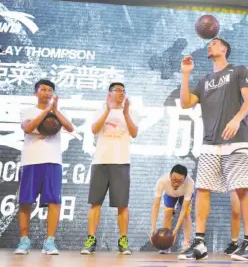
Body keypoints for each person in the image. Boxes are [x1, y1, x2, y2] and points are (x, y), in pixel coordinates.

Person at [178, 38, 248, 261]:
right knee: (202, 189)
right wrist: (185, 74)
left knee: (242, 189)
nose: (209, 46)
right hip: (210, 142)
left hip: (237, 139)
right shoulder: (204, 80)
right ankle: (200, 244)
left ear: (224, 49)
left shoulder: (238, 70)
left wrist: (237, 120)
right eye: (208, 44)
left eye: (214, 43)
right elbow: (185, 103)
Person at [14, 79, 74, 255]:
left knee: (54, 201)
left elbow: (70, 128)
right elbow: (28, 128)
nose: (47, 93)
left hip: (53, 161)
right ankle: (24, 241)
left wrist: (54, 111)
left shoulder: (58, 113)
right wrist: (46, 111)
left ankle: (50, 242)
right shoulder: (28, 111)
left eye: (50, 90)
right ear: (36, 92)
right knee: (26, 201)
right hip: (31, 160)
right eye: (43, 89)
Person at [80, 82, 140, 255]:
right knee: (95, 203)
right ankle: (91, 239)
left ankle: (123, 241)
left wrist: (126, 113)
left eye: (123, 90)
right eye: (117, 90)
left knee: (122, 204)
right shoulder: (100, 110)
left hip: (121, 162)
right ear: (110, 93)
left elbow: (134, 133)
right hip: (100, 162)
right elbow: (94, 129)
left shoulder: (131, 112)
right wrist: (108, 110)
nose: (121, 93)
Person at [224, 115, 248, 255]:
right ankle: (234, 242)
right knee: (236, 210)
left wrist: (245, 132)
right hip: (235, 175)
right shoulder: (232, 136)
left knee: (246, 210)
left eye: (244, 119)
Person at [150, 164, 194, 254]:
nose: (176, 183)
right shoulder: (162, 181)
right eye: (174, 180)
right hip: (170, 194)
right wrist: (153, 230)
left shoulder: (190, 183)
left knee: (186, 214)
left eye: (179, 181)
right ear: (170, 175)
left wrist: (175, 231)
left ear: (184, 179)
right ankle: (166, 245)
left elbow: (183, 210)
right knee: (168, 213)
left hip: (184, 195)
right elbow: (156, 205)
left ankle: (186, 244)